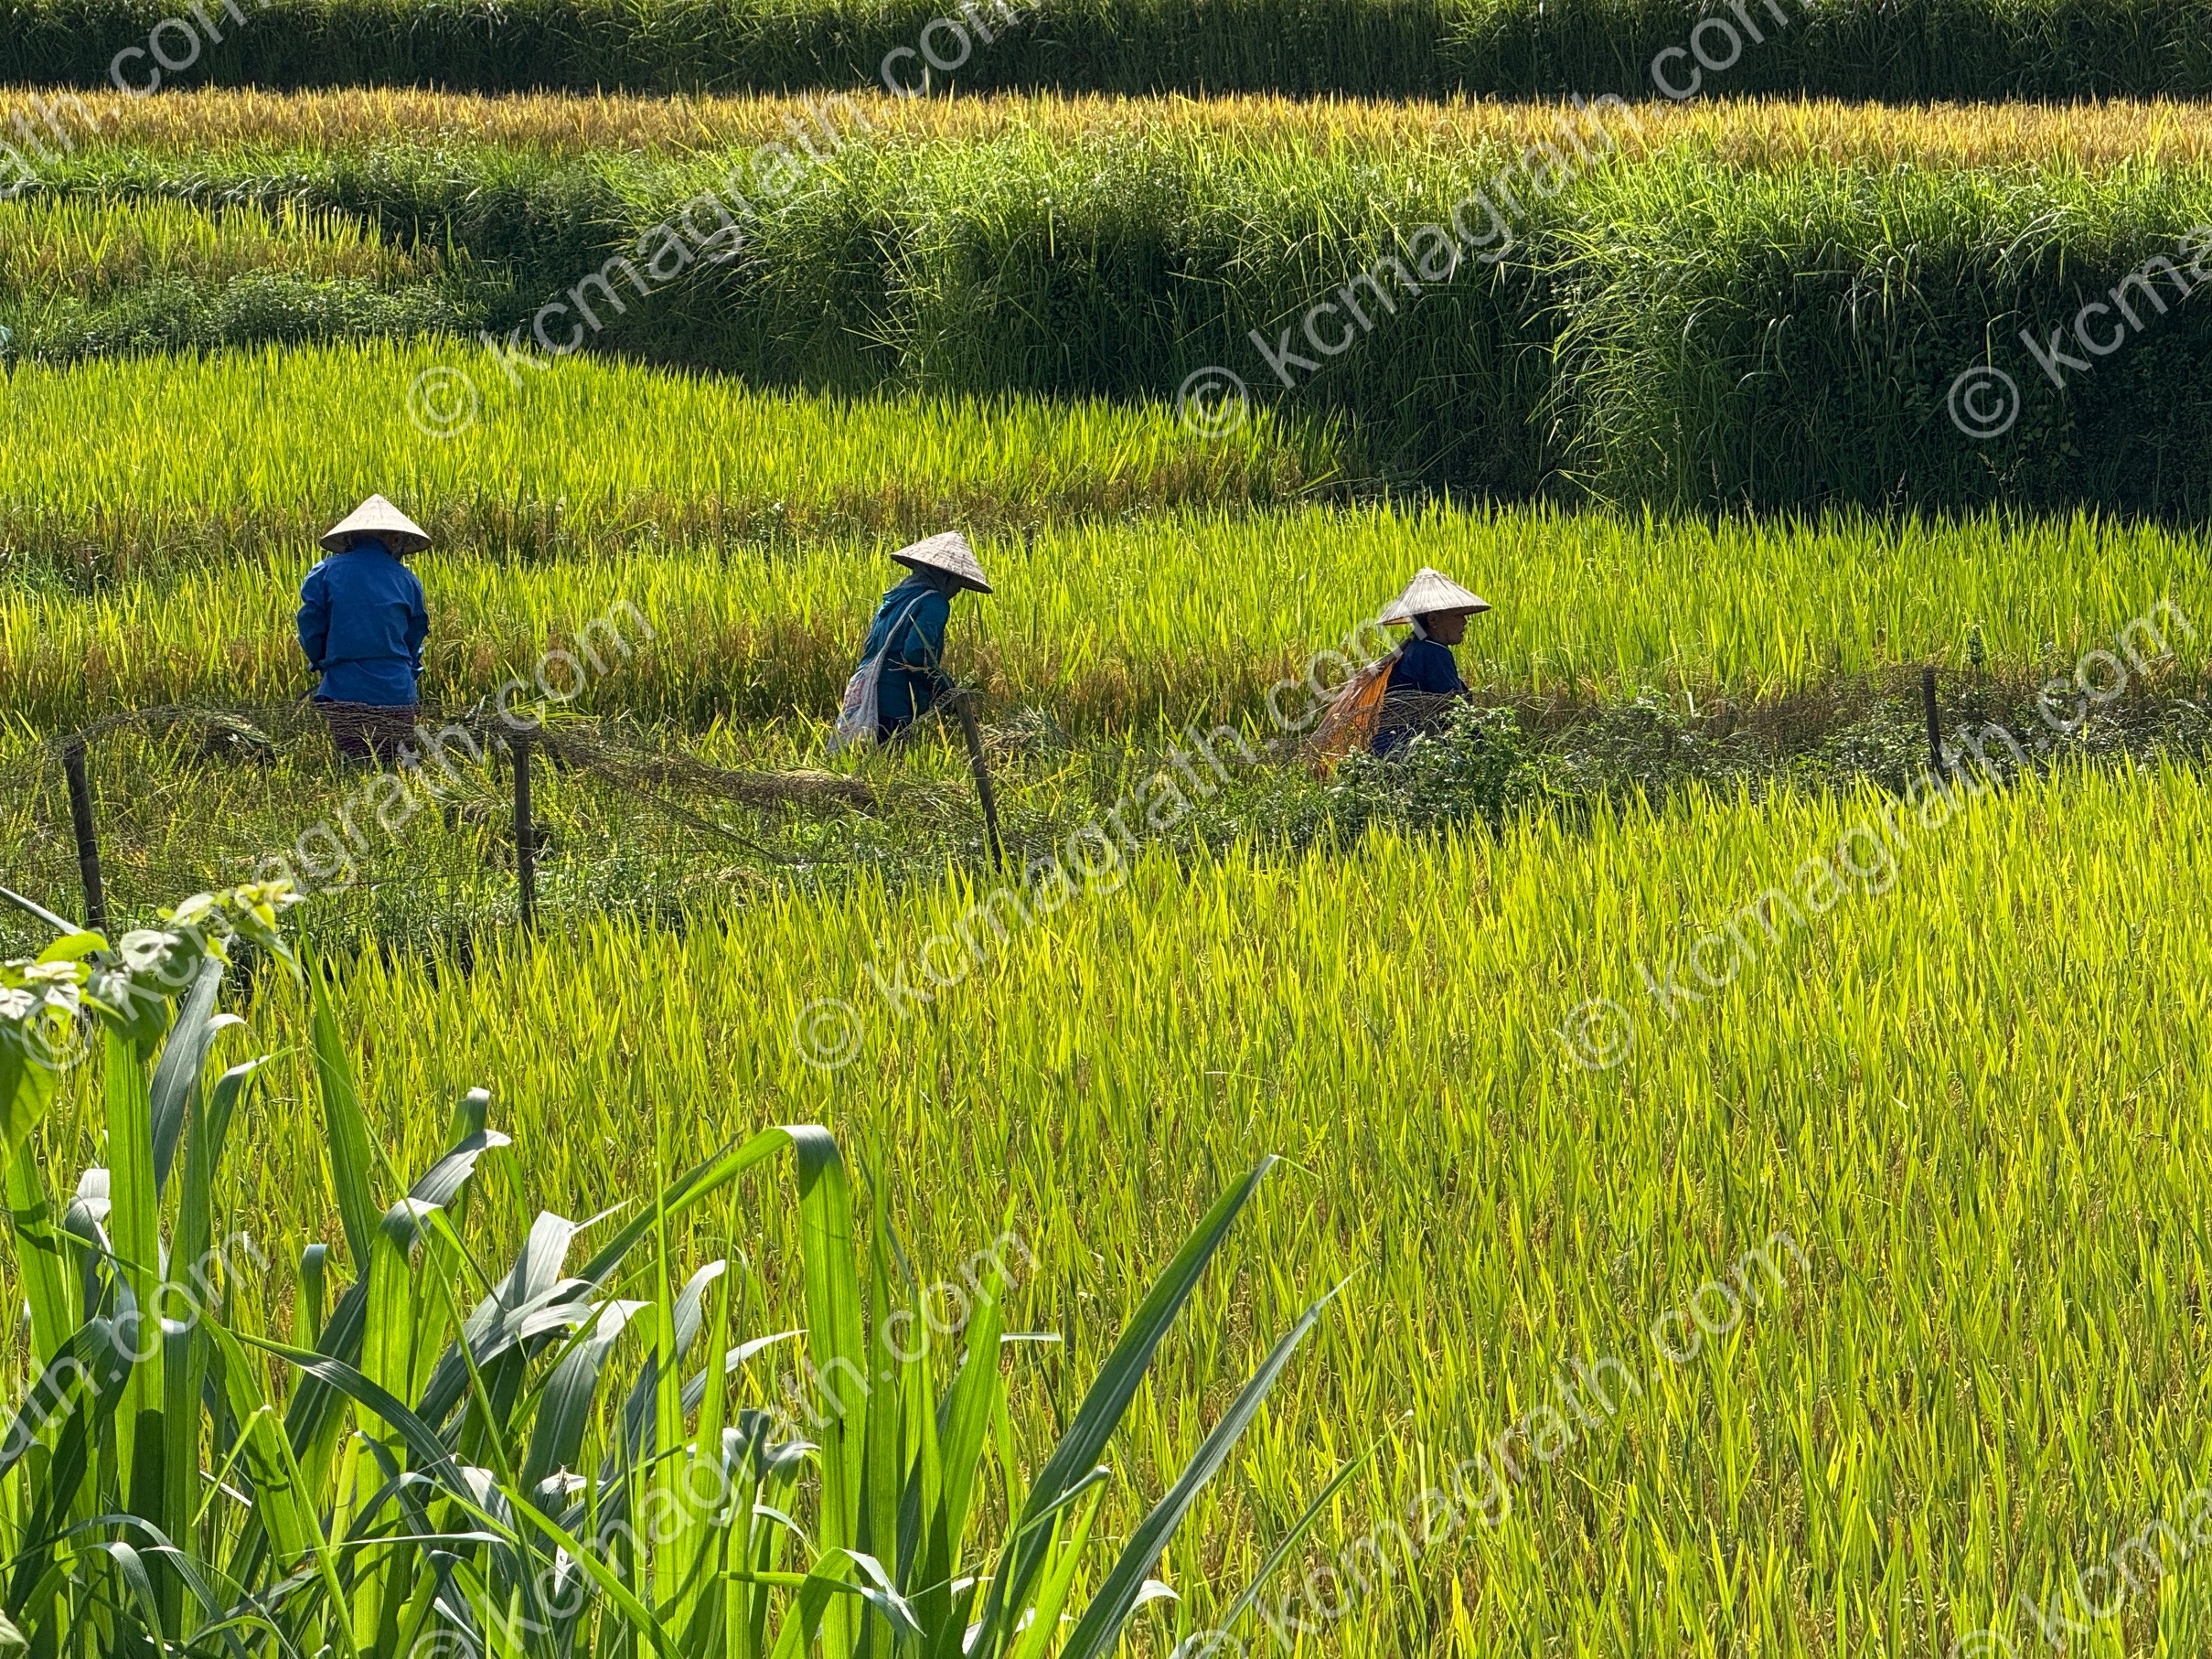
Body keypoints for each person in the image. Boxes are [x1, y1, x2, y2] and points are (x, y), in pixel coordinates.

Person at [296, 494, 431, 765]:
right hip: (396, 691)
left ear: (350, 538)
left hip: (345, 687)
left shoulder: (324, 572)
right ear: (392, 539)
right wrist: (409, 671)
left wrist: (322, 662)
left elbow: (311, 626)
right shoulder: (407, 580)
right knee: (397, 767)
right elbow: (414, 638)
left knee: (353, 764)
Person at [834, 530, 993, 750]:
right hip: (894, 701)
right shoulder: (935, 602)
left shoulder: (895, 598)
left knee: (866, 764)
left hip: (864, 694)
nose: (956, 592)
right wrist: (949, 692)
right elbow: (916, 655)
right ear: (946, 577)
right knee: (890, 765)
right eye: (958, 584)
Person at [1373, 566, 1489, 756]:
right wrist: (1484, 752)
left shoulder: (1416, 648)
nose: (1465, 622)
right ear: (1433, 619)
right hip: (1407, 750)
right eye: (1458, 615)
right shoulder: (1434, 653)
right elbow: (1457, 708)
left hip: (1391, 747)